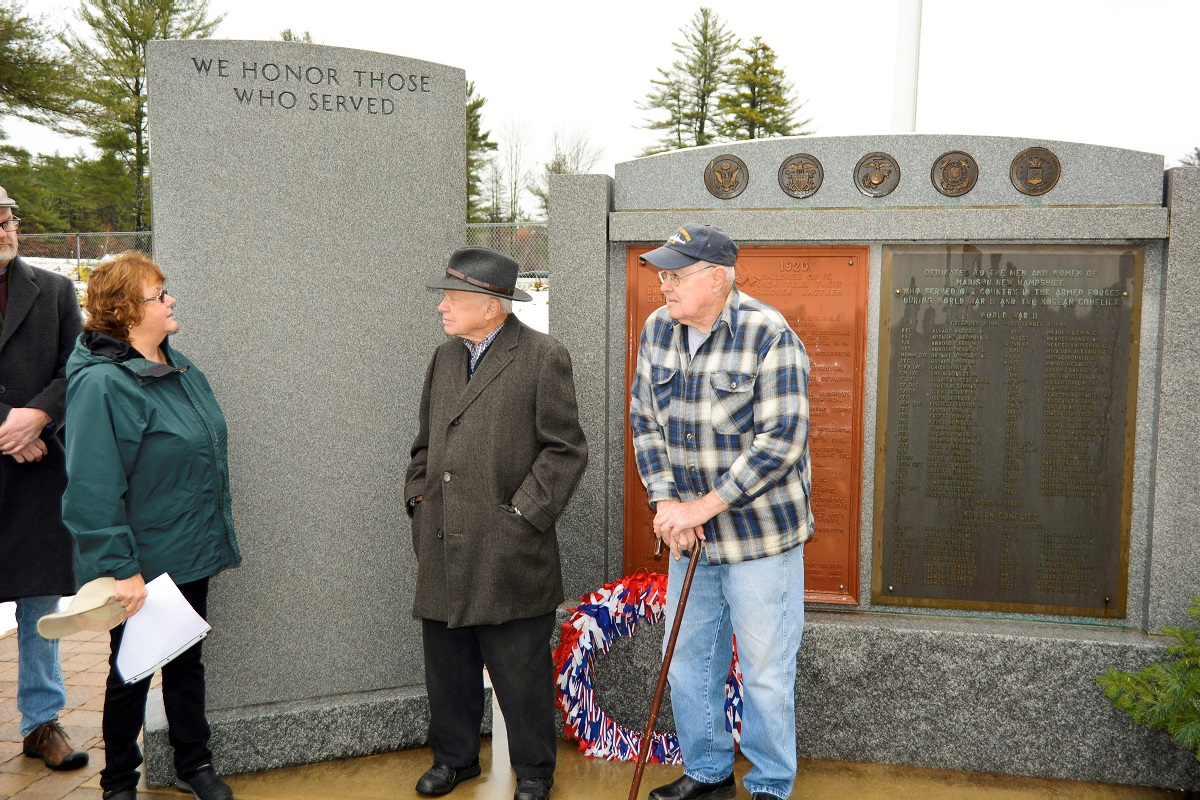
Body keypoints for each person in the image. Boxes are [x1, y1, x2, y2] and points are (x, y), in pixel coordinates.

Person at [629, 224, 813, 800]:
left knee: (763, 669)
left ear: (717, 278)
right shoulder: (657, 330)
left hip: (759, 541)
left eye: (677, 274)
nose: (664, 285)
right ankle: (708, 774)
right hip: (692, 540)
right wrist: (666, 503)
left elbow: (781, 440)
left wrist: (701, 508)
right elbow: (645, 423)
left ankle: (770, 785)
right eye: (662, 273)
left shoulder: (769, 334)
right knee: (686, 662)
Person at [405, 247, 588, 800]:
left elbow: (565, 450)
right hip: (441, 545)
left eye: (452, 298)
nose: (441, 307)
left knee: (520, 672)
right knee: (448, 667)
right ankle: (454, 759)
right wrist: (418, 499)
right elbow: (425, 444)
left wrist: (521, 518)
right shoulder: (443, 359)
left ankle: (534, 772)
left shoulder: (543, 356)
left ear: (491, 307)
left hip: (508, 552)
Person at [61, 251, 241, 800]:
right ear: (124, 311)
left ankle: (195, 763)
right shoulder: (103, 385)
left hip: (188, 548)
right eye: (158, 294)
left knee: (187, 663)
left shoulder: (177, 366)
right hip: (141, 562)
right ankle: (119, 782)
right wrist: (120, 570)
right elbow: (92, 487)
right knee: (130, 673)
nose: (171, 299)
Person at [0, 186, 90, 771]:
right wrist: (6, 426)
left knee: (40, 603)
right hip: (14, 447)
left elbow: (77, 364)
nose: (2, 228)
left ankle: (40, 722)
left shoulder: (54, 291)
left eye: (5, 216)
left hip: (36, 472)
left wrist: (38, 417)